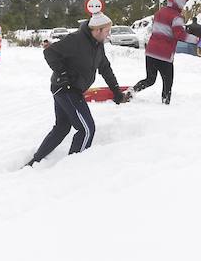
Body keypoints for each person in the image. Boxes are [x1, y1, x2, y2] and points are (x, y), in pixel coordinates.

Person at [26, 12, 126, 166]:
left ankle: (34, 162)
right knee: (86, 129)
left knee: (62, 127)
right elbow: (50, 52)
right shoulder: (76, 39)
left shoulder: (98, 45)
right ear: (97, 30)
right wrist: (62, 73)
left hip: (71, 89)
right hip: (66, 88)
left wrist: (116, 91)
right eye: (107, 31)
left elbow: (105, 68)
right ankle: (74, 167)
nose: (108, 34)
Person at [129, 0, 201, 104]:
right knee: (167, 83)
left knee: (150, 79)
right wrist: (198, 41)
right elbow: (180, 35)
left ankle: (131, 92)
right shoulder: (176, 17)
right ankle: (165, 104)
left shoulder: (159, 12)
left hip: (151, 52)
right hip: (164, 55)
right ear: (180, 3)